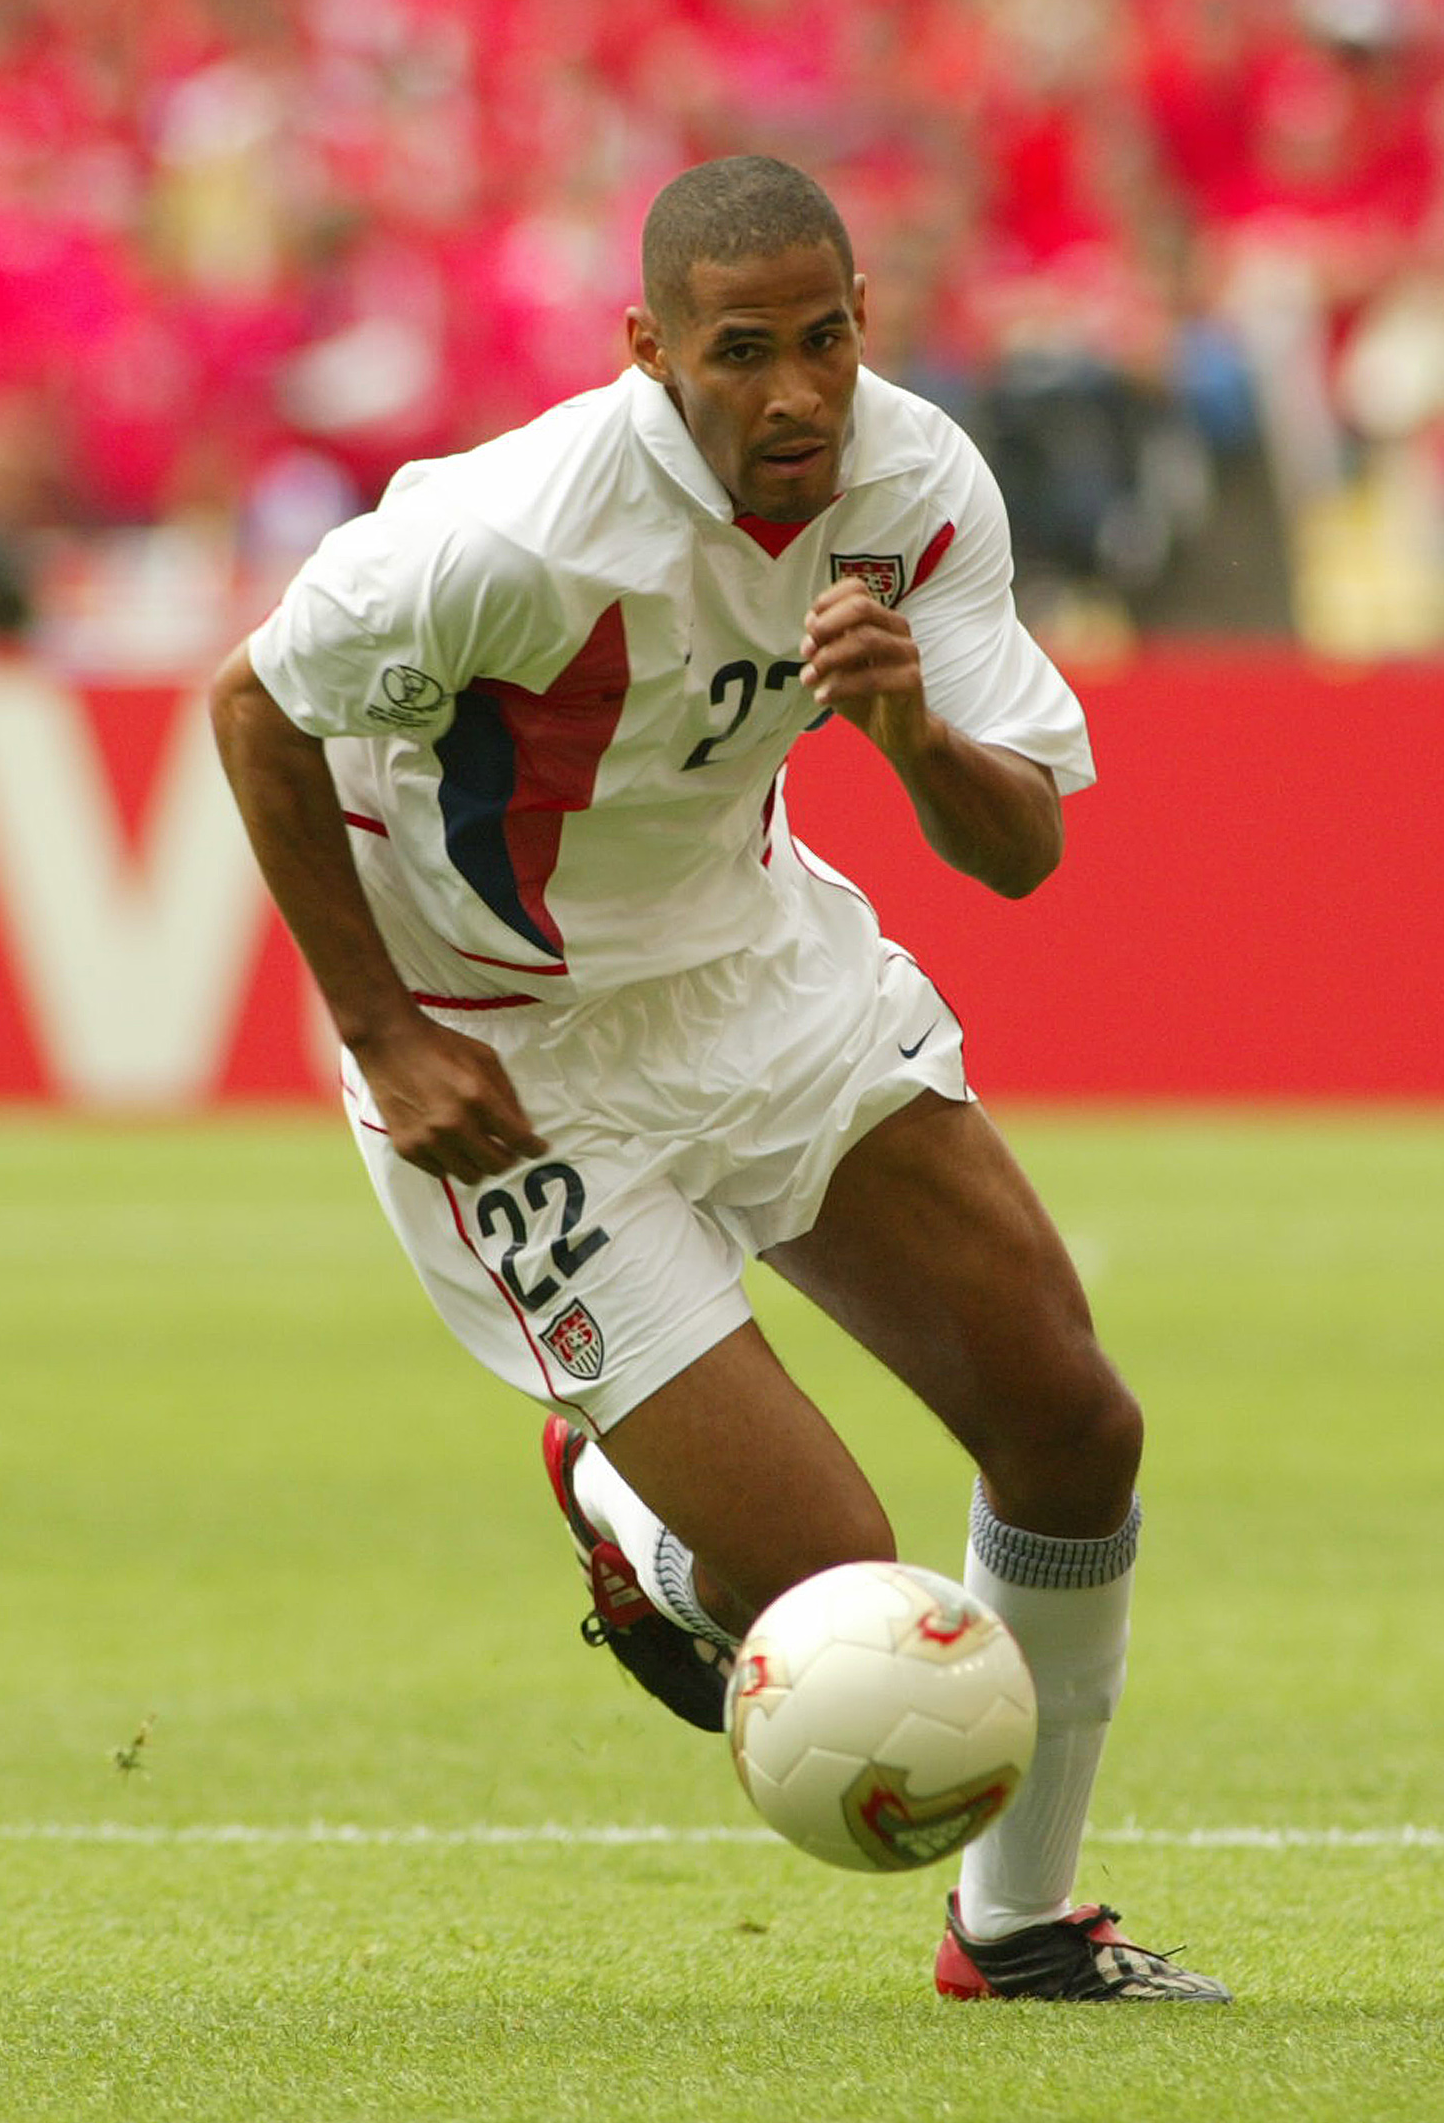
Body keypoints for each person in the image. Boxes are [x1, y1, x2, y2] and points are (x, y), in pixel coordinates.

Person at [207, 155, 1228, 2004]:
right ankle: (634, 1522)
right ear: (651, 353)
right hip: (510, 1060)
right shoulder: (514, 533)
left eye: (827, 340)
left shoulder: (917, 482)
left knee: (1077, 1428)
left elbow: (1020, 856)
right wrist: (379, 1031)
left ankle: (1020, 1933)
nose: (797, 393)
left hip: (763, 978)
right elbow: (255, 707)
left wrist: (911, 728)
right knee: (841, 1582)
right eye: (743, 351)